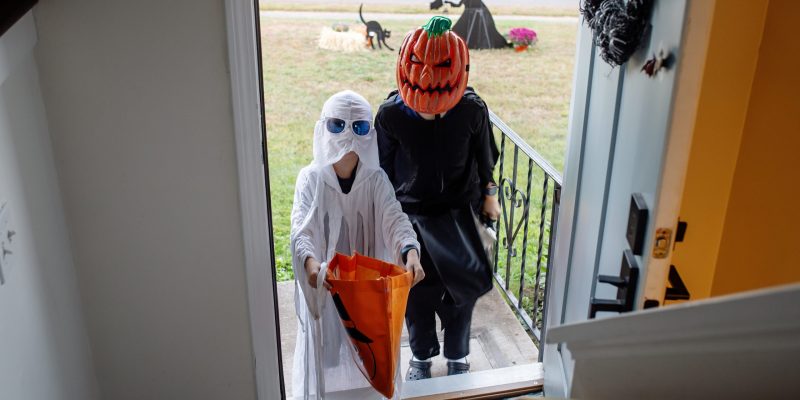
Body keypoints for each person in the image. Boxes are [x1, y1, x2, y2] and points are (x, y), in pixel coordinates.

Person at [375, 17, 500, 380]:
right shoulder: (391, 116)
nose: (429, 77)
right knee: (417, 296)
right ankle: (421, 355)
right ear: (406, 67)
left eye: (441, 67)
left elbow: (485, 157)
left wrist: (490, 195)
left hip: (460, 214)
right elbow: (382, 170)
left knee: (461, 292)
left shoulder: (472, 112)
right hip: (411, 219)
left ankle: (458, 354)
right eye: (419, 68)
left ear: (458, 69)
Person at [290, 90, 424, 398]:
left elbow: (395, 219)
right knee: (329, 355)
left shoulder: (375, 180)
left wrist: (410, 253)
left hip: (367, 295)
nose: (348, 136)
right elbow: (302, 230)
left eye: (359, 127)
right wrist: (312, 266)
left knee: (370, 356)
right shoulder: (311, 180)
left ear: (369, 134)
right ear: (323, 128)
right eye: (337, 125)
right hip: (327, 289)